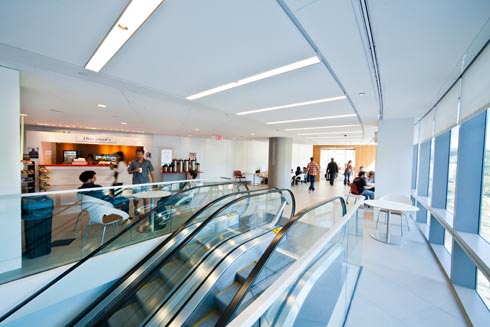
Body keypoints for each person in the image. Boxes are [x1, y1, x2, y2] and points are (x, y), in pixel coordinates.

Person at [128, 148, 155, 215]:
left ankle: (146, 211)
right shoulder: (133, 162)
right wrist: (134, 170)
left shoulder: (148, 162)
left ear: (143, 154)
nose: (139, 156)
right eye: (137, 154)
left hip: (146, 182)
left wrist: (154, 182)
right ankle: (136, 208)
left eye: (140, 154)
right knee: (136, 198)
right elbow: (129, 171)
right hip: (136, 183)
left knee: (146, 198)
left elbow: (151, 172)